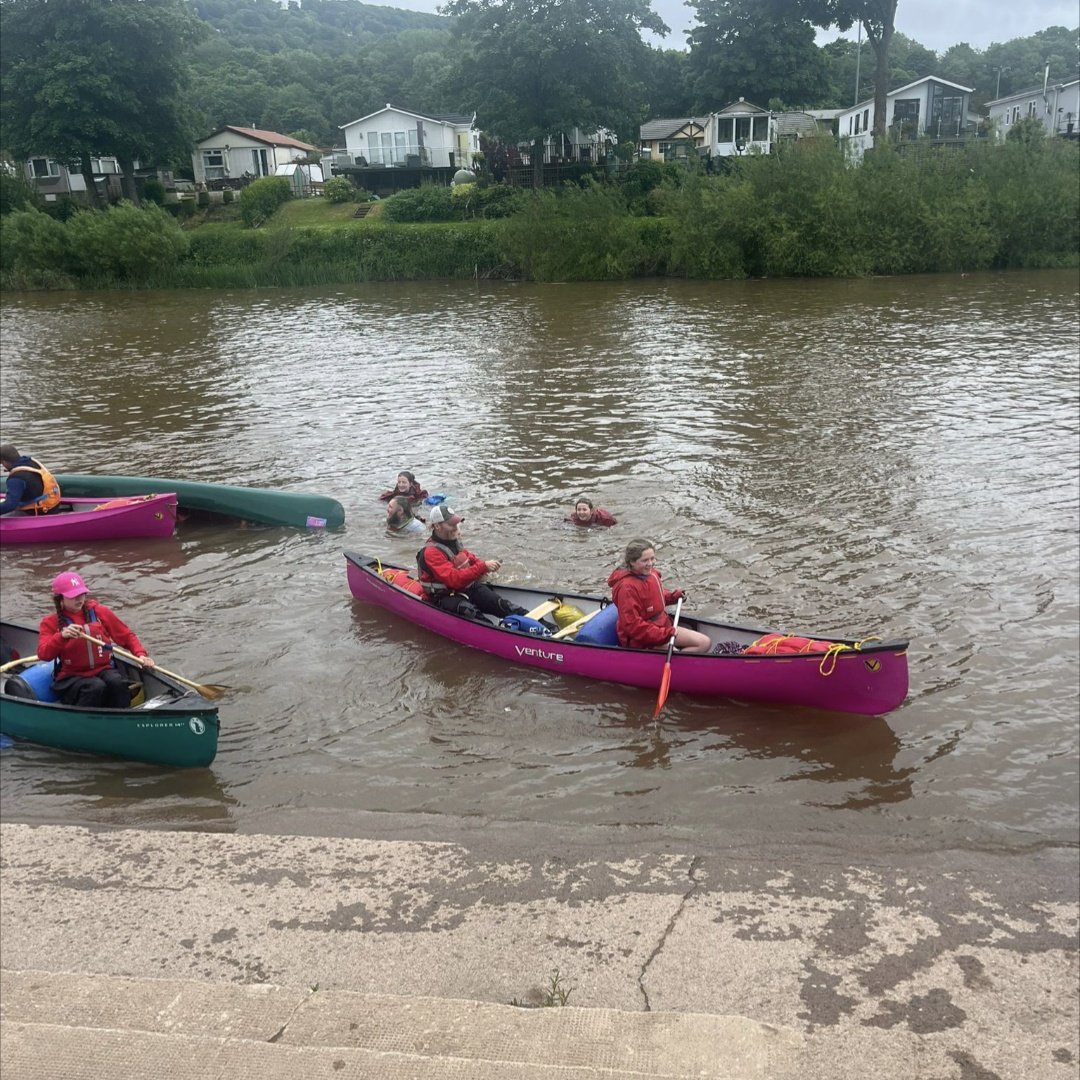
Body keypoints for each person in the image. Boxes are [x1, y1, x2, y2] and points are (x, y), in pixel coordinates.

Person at [37, 571, 156, 708]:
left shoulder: (100, 612)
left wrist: (140, 655)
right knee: (94, 687)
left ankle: (121, 717)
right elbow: (43, 654)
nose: (79, 599)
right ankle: (84, 721)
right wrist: (61, 637)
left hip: (103, 669)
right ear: (60, 599)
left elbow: (126, 636)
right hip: (72, 676)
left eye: (81, 594)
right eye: (73, 596)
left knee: (117, 682)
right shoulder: (50, 622)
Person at [416, 504, 531, 621]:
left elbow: (471, 559)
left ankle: (544, 626)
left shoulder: (454, 541)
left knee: (504, 606)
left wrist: (486, 566)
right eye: (451, 524)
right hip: (442, 597)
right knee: (471, 613)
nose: (456, 527)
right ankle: (497, 633)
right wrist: (482, 567)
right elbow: (454, 579)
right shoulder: (431, 552)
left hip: (466, 588)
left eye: (456, 523)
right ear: (437, 526)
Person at [606, 540, 711, 654]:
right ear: (632, 562)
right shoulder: (626, 588)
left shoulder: (650, 574)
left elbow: (655, 598)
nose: (650, 563)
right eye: (645, 560)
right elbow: (633, 627)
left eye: (652, 558)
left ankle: (684, 665)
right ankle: (682, 666)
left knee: (704, 643)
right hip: (642, 639)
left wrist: (673, 597)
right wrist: (665, 635)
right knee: (678, 656)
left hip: (663, 627)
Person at [0, 443, 61, 516]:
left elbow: (10, 505)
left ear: (4, 462)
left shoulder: (16, 478)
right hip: (53, 506)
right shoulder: (31, 461)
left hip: (40, 512)